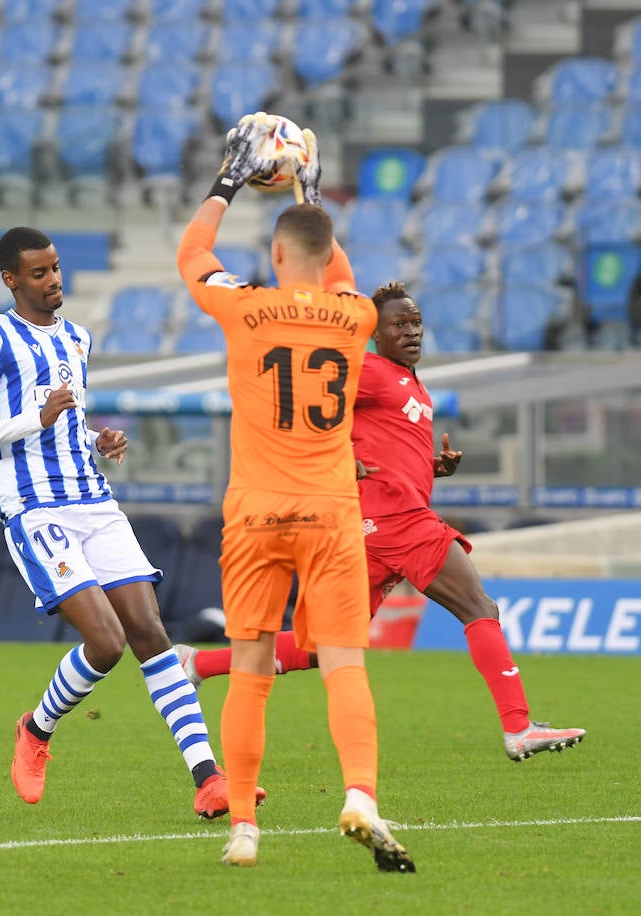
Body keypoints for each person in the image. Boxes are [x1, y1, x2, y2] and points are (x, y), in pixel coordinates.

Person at [175, 281, 586, 763]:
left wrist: (431, 467)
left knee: (319, 649)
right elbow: (300, 404)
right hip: (397, 519)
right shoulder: (366, 370)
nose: (411, 332)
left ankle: (198, 663)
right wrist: (336, 452)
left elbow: (385, 445)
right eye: (399, 324)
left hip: (372, 526)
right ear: (376, 333)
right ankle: (518, 727)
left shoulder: (410, 381)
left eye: (415, 322)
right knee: (479, 607)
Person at [0, 225, 264, 819]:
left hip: (94, 501)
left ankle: (208, 778)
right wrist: (33, 420)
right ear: (11, 280)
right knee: (106, 641)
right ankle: (36, 730)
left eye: (56, 268)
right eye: (38, 273)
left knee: (151, 633)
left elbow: (68, 420)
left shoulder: (77, 338)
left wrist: (98, 439)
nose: (53, 280)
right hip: (35, 508)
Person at [176, 114, 414, 870]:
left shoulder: (244, 306)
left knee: (250, 670)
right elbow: (338, 272)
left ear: (275, 255)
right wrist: (309, 189)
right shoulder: (355, 316)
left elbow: (192, 255)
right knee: (344, 662)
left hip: (255, 512)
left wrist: (228, 180)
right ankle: (361, 795)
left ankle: (244, 826)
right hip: (331, 513)